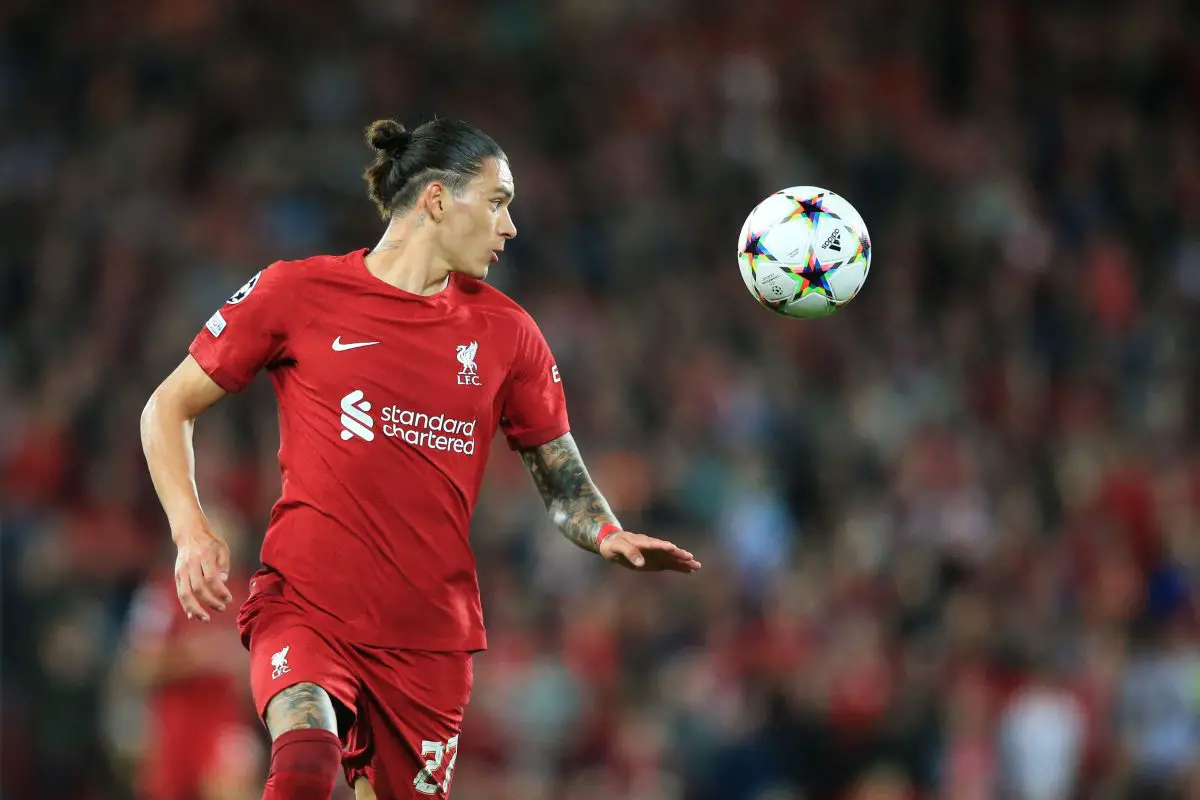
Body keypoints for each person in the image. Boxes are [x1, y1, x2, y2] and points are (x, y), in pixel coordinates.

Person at [140, 117, 702, 800]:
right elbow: (166, 408)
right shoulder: (297, 293)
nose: (511, 226)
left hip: (429, 643)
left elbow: (559, 479)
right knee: (303, 762)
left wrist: (608, 533)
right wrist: (190, 527)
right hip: (308, 604)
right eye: (498, 201)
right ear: (437, 199)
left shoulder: (509, 336)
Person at [116, 521, 262, 800]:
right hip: (172, 729)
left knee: (233, 782)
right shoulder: (160, 595)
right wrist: (193, 656)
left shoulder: (246, 598)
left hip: (224, 723)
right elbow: (137, 666)